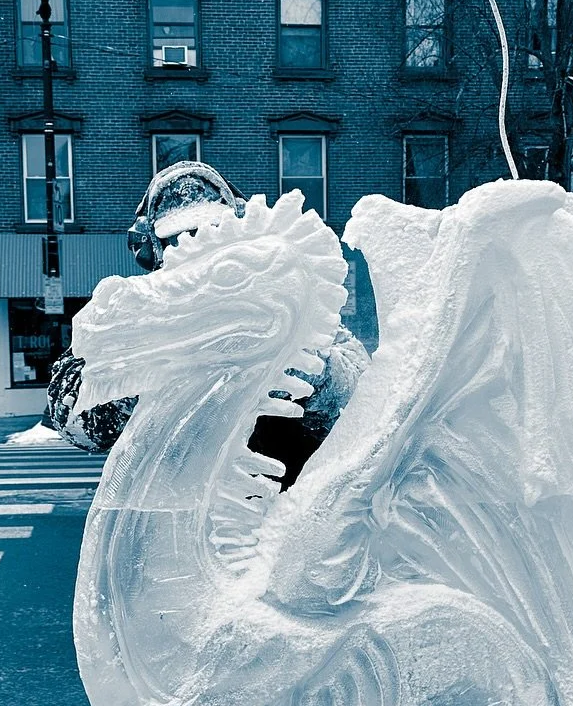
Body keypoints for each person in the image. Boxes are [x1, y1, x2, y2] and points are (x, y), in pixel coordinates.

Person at [46, 160, 370, 483]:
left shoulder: (294, 316)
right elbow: (75, 420)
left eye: (208, 233)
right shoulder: (142, 322)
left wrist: (307, 369)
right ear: (154, 251)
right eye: (177, 239)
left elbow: (363, 399)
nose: (193, 245)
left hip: (280, 516)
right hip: (176, 510)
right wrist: (142, 380)